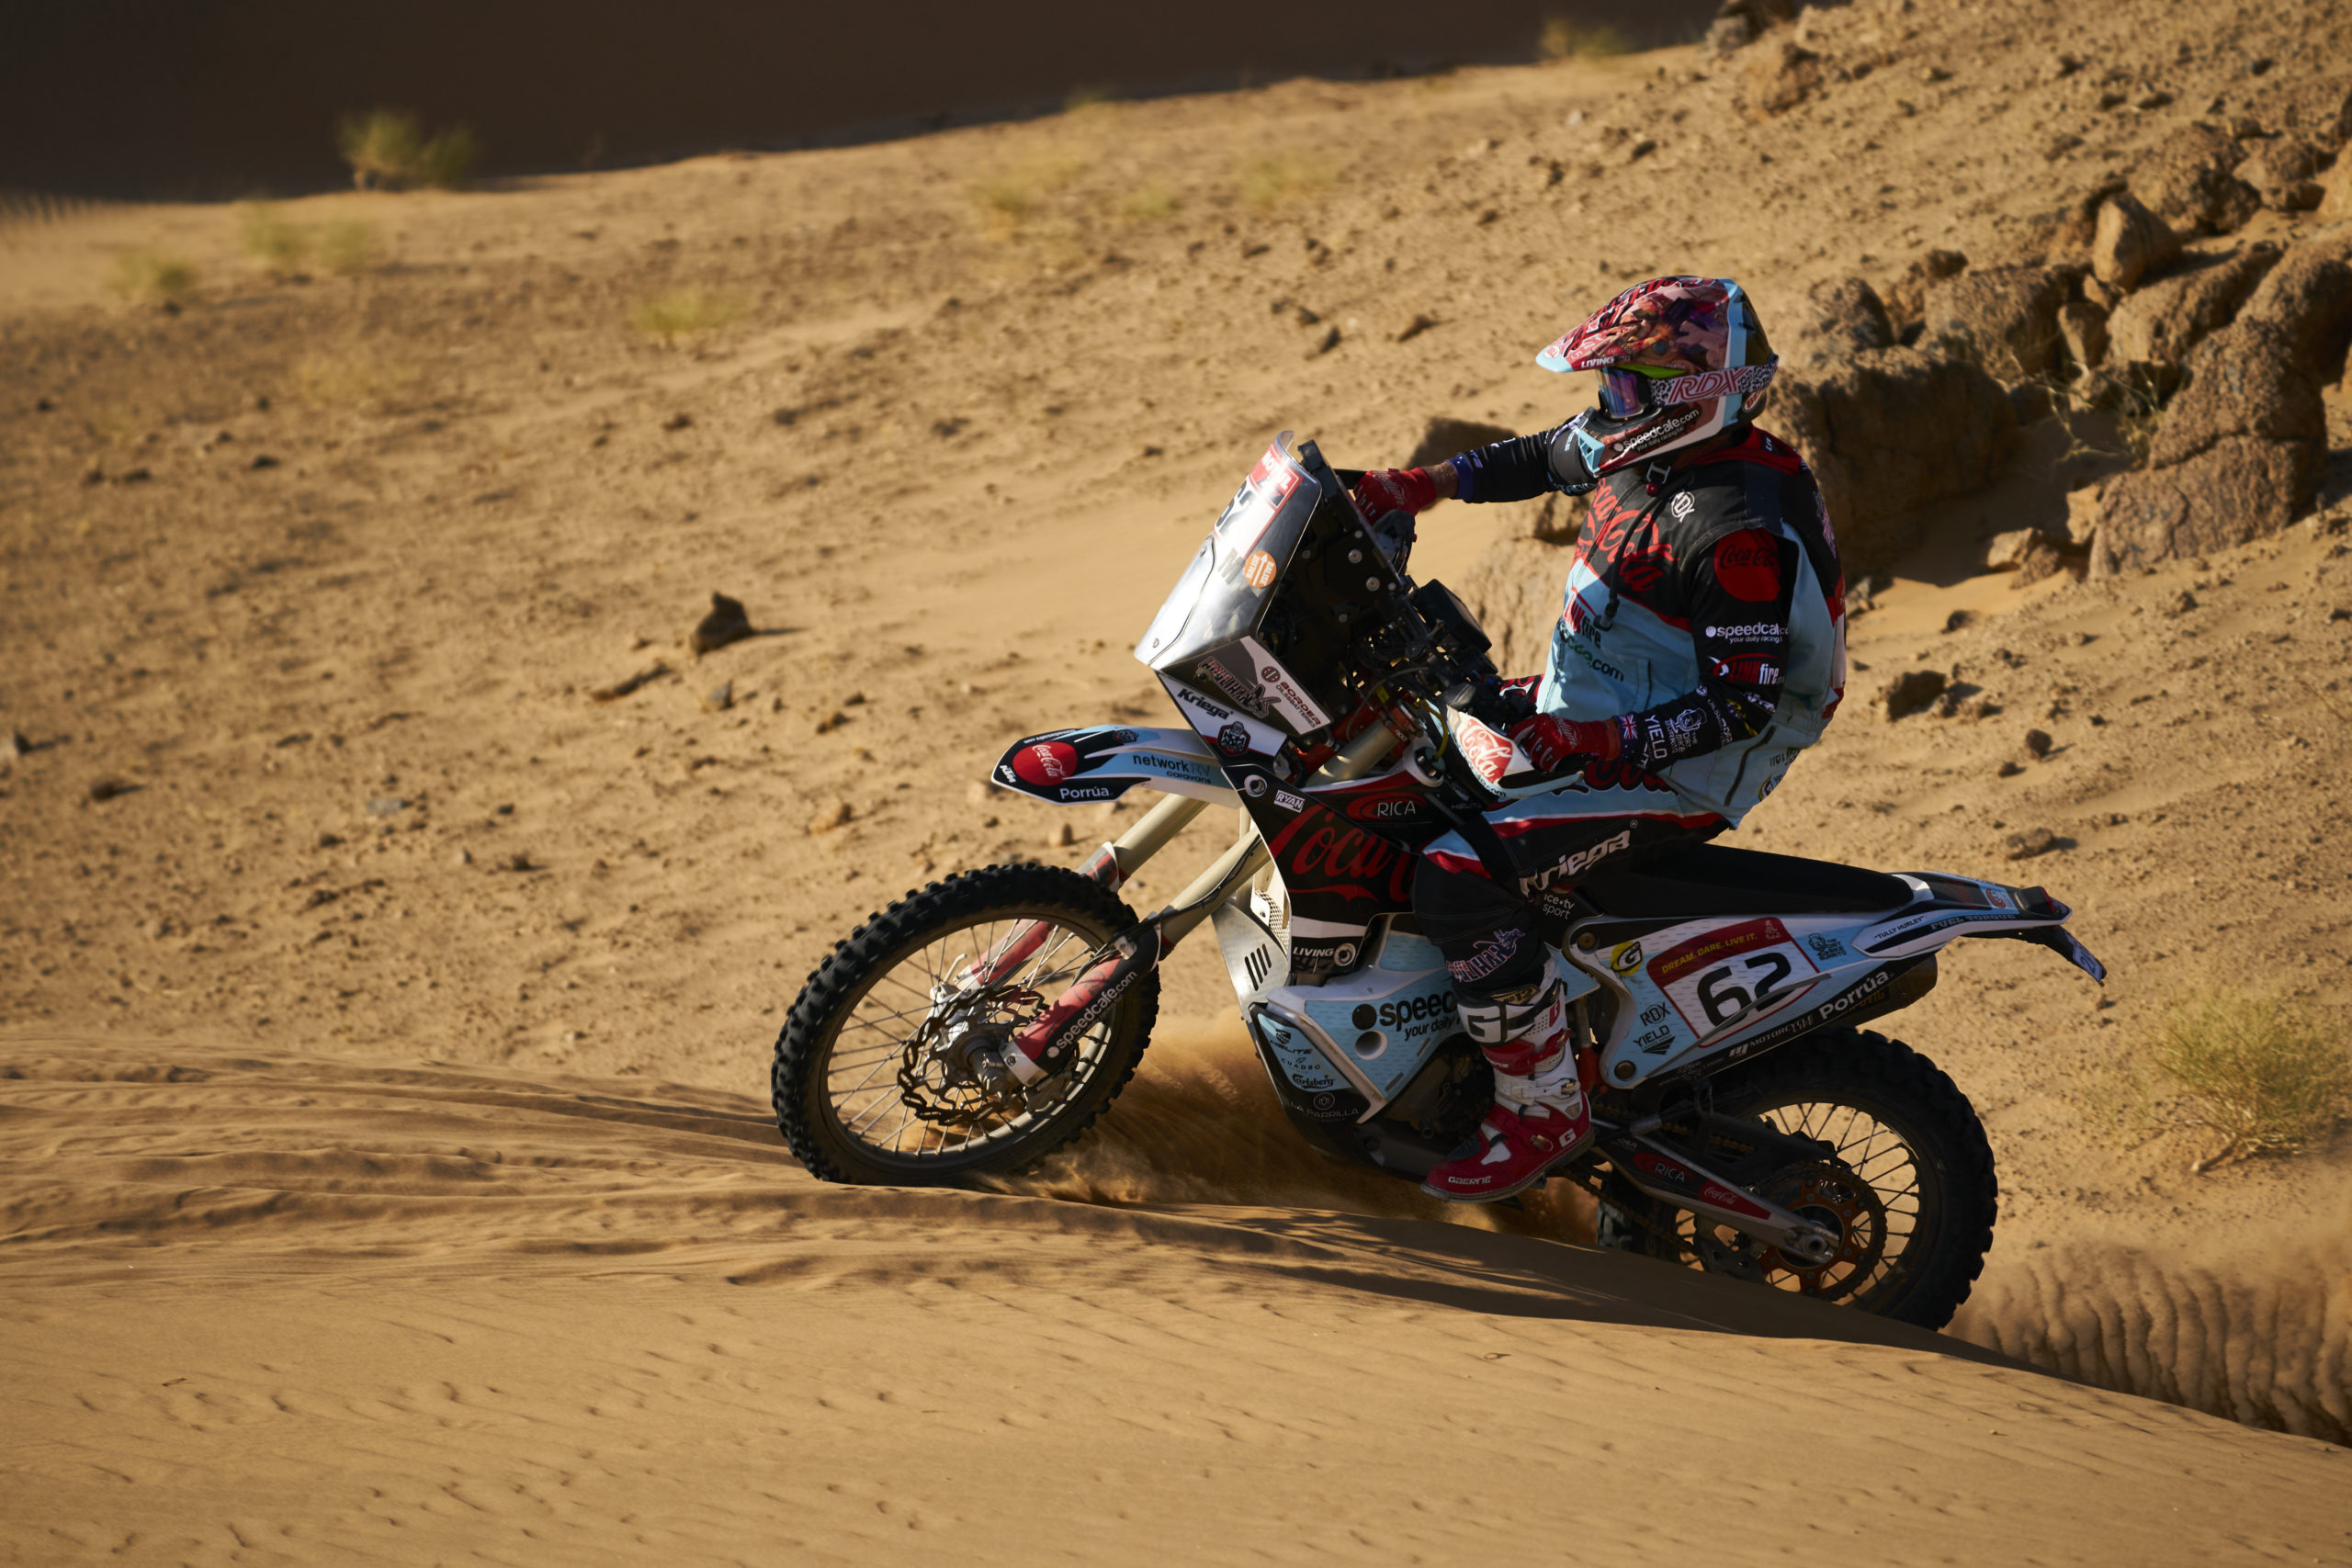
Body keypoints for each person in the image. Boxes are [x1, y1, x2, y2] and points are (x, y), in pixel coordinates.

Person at [1351, 275, 1848, 1202]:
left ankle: (1540, 1104)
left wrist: (1590, 742)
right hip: (1603, 703)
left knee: (1457, 873)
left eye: (1625, 386)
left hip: (1683, 769)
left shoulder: (1736, 529)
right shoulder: (1653, 446)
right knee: (1409, 760)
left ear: (1693, 395)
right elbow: (1549, 454)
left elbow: (1739, 707)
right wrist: (1423, 485)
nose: (1607, 405)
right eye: (1609, 384)